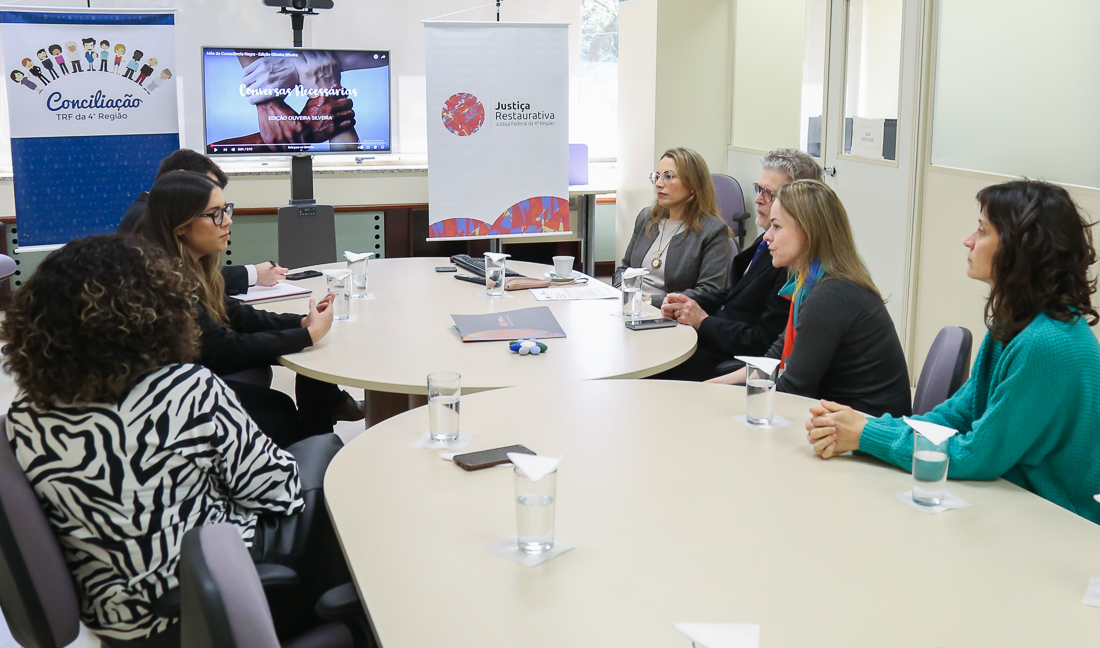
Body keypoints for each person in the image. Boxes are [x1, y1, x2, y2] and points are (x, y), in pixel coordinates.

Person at [1, 235, 305, 646]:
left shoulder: (21, 419)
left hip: (116, 622)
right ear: (156, 310)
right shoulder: (183, 389)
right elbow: (278, 493)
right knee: (323, 464)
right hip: (213, 599)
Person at [806, 179, 1100, 524]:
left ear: (1022, 248)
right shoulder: (1014, 324)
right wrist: (858, 429)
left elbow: (977, 455)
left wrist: (866, 434)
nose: (969, 241)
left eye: (982, 231)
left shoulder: (1047, 344)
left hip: (1057, 524)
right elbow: (952, 419)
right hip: (1012, 504)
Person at [708, 180, 910, 418]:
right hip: (836, 419)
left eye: (776, 227)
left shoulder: (829, 297)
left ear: (808, 232)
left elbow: (792, 391)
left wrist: (724, 402)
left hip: (862, 430)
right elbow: (775, 358)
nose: (766, 237)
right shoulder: (811, 283)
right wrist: (711, 388)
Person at [659, 149, 821, 380]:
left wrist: (702, 322)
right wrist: (689, 302)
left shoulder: (791, 263)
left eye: (768, 193)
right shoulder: (766, 241)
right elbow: (735, 295)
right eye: (759, 189)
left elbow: (761, 344)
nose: (756, 199)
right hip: (718, 340)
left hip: (726, 357)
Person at [118, 148, 286, 295]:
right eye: (203, 187)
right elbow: (178, 276)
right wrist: (252, 274)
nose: (227, 221)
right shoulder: (147, 217)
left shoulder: (146, 210)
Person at [614, 147, 731, 306]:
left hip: (671, 316)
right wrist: (621, 288)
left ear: (693, 184)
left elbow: (708, 291)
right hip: (631, 307)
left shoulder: (713, 231)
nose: (659, 184)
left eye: (668, 177)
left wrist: (648, 301)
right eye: (657, 177)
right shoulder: (646, 218)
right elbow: (624, 268)